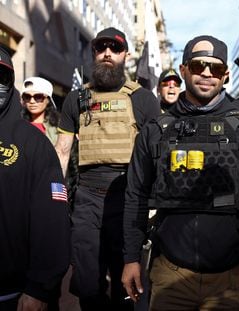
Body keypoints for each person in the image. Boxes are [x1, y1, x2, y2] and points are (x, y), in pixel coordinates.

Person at [122, 35, 239, 311]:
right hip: (170, 274)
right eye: (198, 66)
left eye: (216, 68)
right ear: (184, 69)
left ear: (226, 75)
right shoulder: (155, 129)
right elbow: (135, 196)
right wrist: (130, 258)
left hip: (232, 277)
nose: (207, 74)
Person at [54, 27, 160, 311]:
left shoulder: (143, 99)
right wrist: (53, 198)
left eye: (114, 48)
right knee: (87, 285)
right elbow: (62, 152)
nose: (107, 54)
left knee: (125, 285)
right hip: (87, 197)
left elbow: (156, 154)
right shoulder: (76, 99)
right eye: (101, 48)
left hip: (128, 196)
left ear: (125, 54)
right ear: (94, 54)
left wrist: (153, 202)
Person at [0, 47, 70, 310]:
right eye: (29, 97)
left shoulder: (34, 142)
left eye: (1, 77)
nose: (33, 101)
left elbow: (52, 218)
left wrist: (39, 288)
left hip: (13, 294)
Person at [21, 76, 59, 145]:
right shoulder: (17, 125)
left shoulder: (59, 127)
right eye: (27, 97)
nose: (32, 101)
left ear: (48, 100)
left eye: (38, 97)